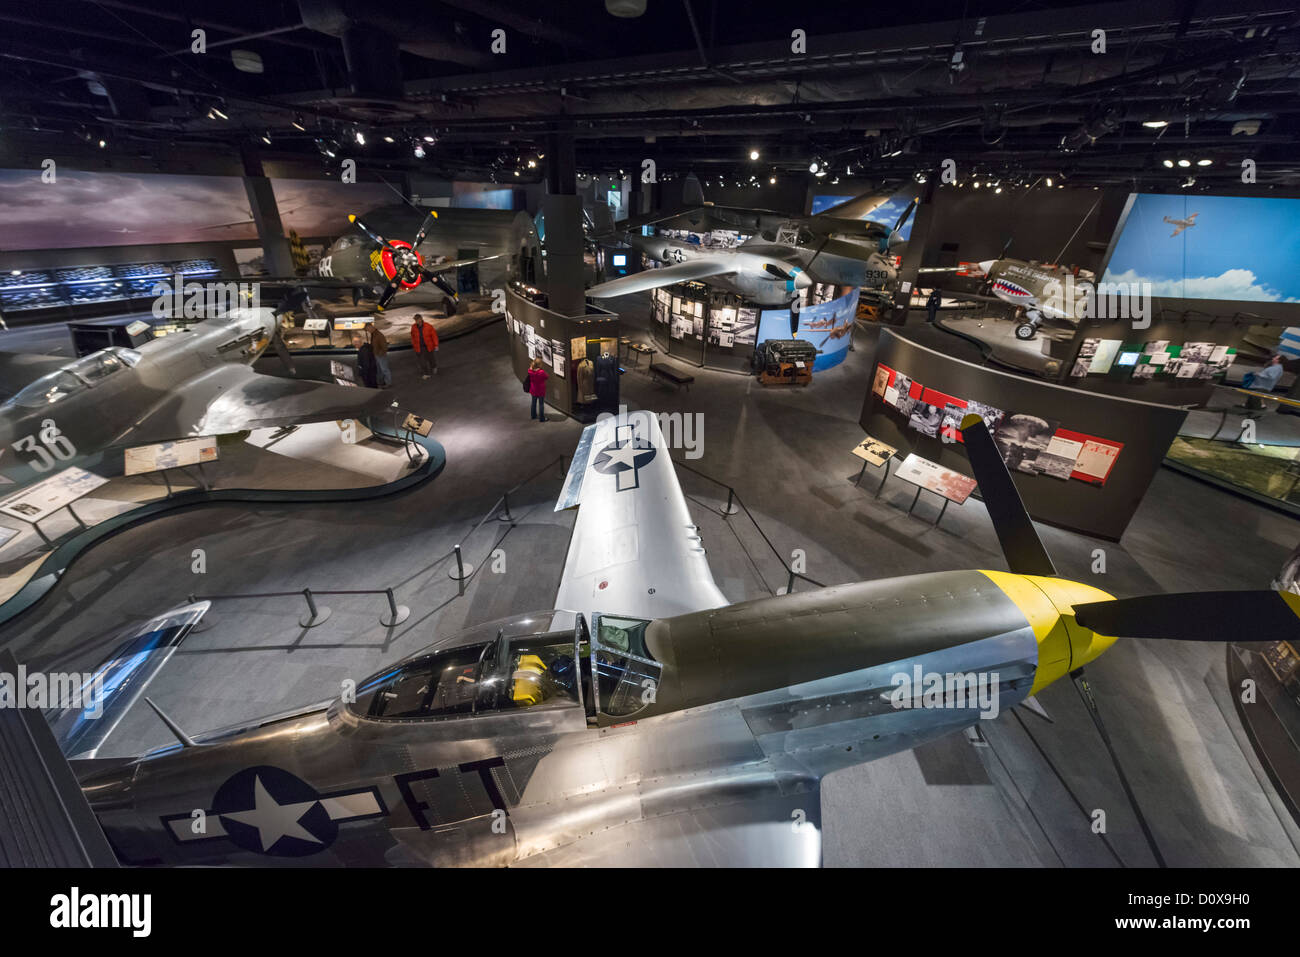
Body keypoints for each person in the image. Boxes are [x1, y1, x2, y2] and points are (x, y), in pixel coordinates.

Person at [410, 313, 438, 379]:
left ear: (421, 319)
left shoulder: (428, 326)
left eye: (417, 319)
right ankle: (426, 374)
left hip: (428, 346)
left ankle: (434, 366)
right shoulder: (413, 327)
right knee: (422, 362)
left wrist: (436, 345)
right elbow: (413, 336)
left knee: (431, 359)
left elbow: (434, 336)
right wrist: (414, 345)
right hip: (419, 348)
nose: (416, 321)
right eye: (415, 320)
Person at [366, 321, 391, 387]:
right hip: (376, 355)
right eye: (367, 330)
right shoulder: (373, 334)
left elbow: (384, 346)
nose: (368, 331)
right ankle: (381, 382)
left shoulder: (379, 335)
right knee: (379, 370)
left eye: (368, 329)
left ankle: (388, 383)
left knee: (384, 369)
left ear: (371, 327)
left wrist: (381, 354)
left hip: (381, 355)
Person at [526, 357, 549, 422]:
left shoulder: (530, 371)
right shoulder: (541, 372)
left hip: (533, 389)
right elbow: (547, 377)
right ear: (539, 364)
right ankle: (542, 418)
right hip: (540, 390)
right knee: (541, 404)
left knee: (533, 403)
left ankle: (533, 415)